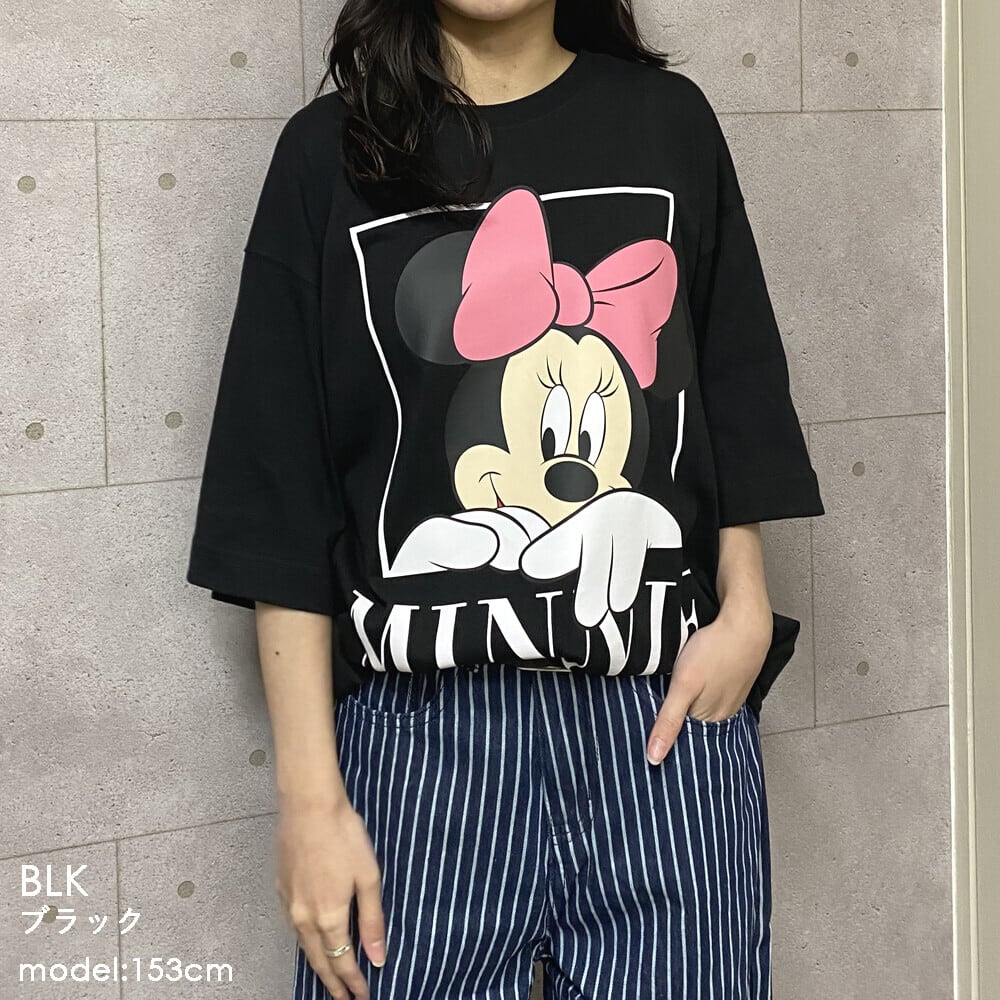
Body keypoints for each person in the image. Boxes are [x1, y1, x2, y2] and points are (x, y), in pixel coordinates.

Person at [185, 2, 826, 998]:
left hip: (659, 728)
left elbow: (729, 389)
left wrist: (745, 609)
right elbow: (278, 487)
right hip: (420, 750)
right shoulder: (327, 152)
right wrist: (309, 800)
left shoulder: (667, 122)